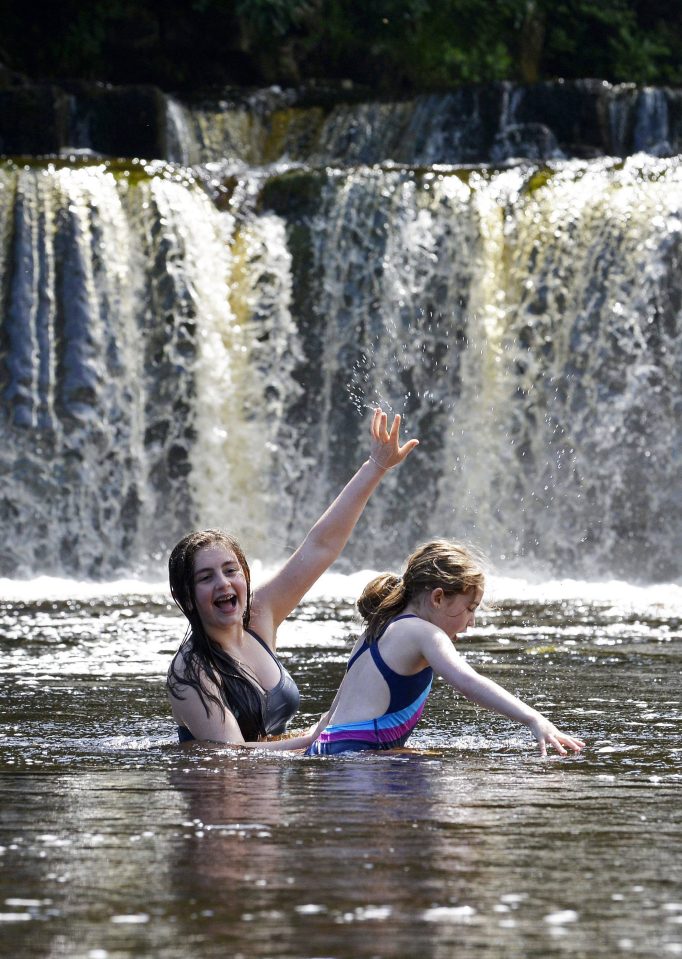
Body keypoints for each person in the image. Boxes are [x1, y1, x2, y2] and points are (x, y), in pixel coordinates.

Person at [166, 408, 419, 748]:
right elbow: (229, 758)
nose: (224, 584)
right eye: (206, 578)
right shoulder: (190, 671)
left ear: (245, 575)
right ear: (186, 596)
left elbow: (320, 547)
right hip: (221, 797)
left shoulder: (259, 615)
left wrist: (376, 466)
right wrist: (315, 738)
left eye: (230, 571)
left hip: (269, 792)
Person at [303, 540, 586, 757]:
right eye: (469, 608)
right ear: (438, 598)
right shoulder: (425, 633)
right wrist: (534, 719)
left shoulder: (374, 630)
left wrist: (259, 751)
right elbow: (468, 682)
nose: (471, 622)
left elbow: (322, 729)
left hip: (329, 751)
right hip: (360, 759)